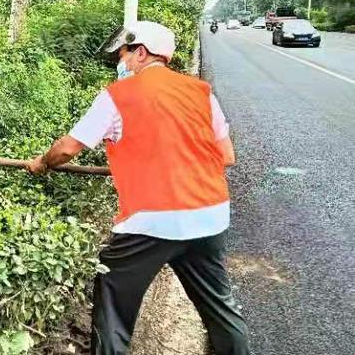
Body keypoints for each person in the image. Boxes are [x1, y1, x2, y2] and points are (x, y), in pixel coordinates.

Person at [26, 21, 249, 355]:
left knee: (111, 295)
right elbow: (226, 156)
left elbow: (68, 149)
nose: (122, 64)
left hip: (152, 220)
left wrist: (41, 163)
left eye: (124, 56)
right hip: (210, 216)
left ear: (141, 52)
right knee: (221, 310)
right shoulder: (201, 92)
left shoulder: (118, 96)